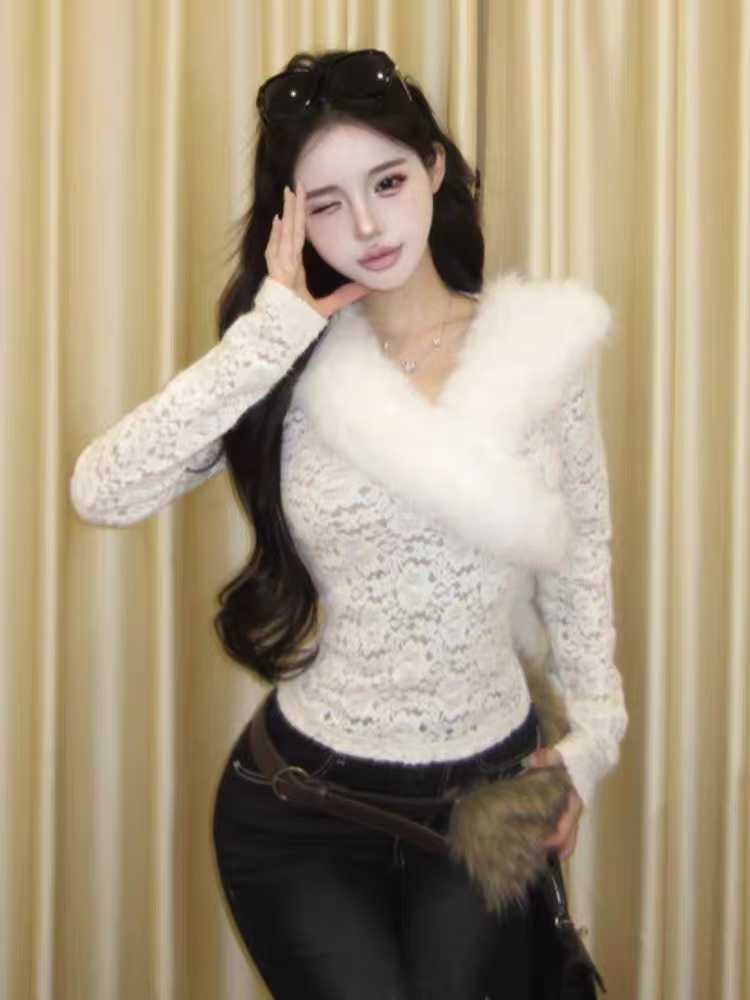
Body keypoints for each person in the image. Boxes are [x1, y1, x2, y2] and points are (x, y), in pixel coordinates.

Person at [69, 47, 628, 1000]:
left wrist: (591, 742)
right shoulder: (294, 363)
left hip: (487, 800)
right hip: (301, 806)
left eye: (388, 182)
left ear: (434, 169)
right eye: (327, 203)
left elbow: (582, 565)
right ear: (290, 221)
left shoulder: (536, 353)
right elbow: (103, 490)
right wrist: (270, 331)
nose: (367, 225)